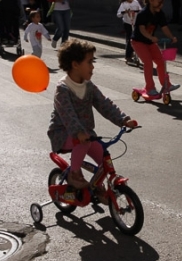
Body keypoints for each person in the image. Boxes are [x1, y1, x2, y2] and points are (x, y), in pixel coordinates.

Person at [47, 39, 137, 204]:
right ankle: (74, 174)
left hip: (86, 136)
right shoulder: (63, 89)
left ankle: (97, 187)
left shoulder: (88, 86)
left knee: (104, 159)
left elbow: (105, 104)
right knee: (84, 143)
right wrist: (78, 132)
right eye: (89, 62)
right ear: (75, 65)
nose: (93, 66)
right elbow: (68, 115)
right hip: (64, 134)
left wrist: (123, 119)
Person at [131, 0, 180, 96]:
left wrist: (171, 37)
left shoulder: (160, 14)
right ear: (151, 1)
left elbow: (164, 27)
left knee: (161, 61)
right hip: (138, 42)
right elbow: (142, 29)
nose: (161, 5)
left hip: (150, 42)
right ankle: (150, 88)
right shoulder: (143, 13)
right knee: (148, 62)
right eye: (159, 2)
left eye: (162, 3)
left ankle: (166, 85)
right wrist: (151, 37)